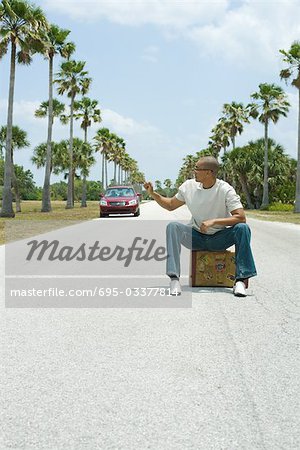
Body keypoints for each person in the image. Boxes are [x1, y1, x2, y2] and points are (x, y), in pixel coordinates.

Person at [143, 156, 257, 297]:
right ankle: (174, 279)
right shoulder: (188, 187)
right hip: (196, 237)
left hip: (218, 240)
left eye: (197, 168)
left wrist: (214, 222)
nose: (194, 171)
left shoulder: (225, 189)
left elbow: (241, 217)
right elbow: (170, 205)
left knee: (242, 228)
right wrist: (153, 193)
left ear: (209, 172)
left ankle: (240, 280)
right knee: (173, 226)